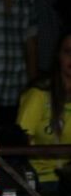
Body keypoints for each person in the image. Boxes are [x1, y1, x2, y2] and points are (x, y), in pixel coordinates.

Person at [18, 28, 71, 195]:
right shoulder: (39, 95)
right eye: (68, 52)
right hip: (42, 180)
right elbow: (20, 143)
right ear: (58, 56)